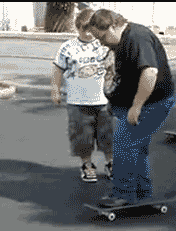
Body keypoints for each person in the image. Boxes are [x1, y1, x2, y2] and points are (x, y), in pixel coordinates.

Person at [87, 9, 176, 207]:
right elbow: (125, 76)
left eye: (101, 37)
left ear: (111, 26)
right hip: (140, 103)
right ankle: (143, 193)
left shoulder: (137, 37)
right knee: (136, 148)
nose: (100, 42)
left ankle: (123, 194)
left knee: (124, 144)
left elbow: (150, 73)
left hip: (153, 104)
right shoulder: (119, 41)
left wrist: (136, 106)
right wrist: (115, 101)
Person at [51, 9, 115, 183]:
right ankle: (87, 164)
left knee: (108, 136)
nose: (86, 33)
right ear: (77, 28)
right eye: (82, 29)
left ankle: (111, 163)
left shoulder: (104, 44)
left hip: (103, 101)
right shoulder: (67, 47)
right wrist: (55, 89)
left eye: (89, 29)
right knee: (82, 137)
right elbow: (58, 68)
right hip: (78, 102)